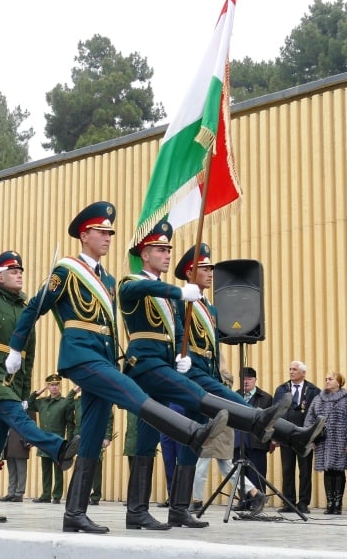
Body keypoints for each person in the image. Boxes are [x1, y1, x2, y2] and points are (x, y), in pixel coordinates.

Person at [6, 202, 229, 534]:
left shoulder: (108, 278)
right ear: (85, 235)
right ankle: (191, 432)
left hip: (105, 357)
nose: (108, 237)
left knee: (93, 438)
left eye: (111, 232)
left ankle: (74, 513)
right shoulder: (67, 270)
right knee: (134, 394)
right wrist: (15, 348)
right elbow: (35, 308)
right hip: (81, 356)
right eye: (102, 231)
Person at [117, 223, 308, 530]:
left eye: (168, 250)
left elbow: (184, 334)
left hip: (181, 367)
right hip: (161, 370)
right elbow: (142, 298)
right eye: (160, 250)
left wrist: (182, 356)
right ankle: (137, 510)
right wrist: (183, 348)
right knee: (150, 436)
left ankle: (179, 508)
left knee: (195, 439)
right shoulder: (155, 288)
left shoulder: (206, 307)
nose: (210, 274)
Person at [172, 242, 299, 522]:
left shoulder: (210, 309)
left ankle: (186, 505)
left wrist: (221, 375)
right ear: (189, 272)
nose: (210, 273)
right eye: (204, 268)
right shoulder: (181, 303)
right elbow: (176, 337)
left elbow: (215, 350)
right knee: (202, 449)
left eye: (209, 268)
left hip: (210, 377)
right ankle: (186, 504)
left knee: (210, 452)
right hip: (193, 378)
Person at [0, 251, 79, 523]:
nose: (19, 273)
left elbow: (28, 355)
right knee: (18, 420)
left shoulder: (26, 309)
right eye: (12, 270)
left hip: (12, 382)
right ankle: (58, 448)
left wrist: (24, 394)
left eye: (21, 270)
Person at [272, 361, 322, 513]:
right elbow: (274, 412)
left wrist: (314, 438)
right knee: (287, 469)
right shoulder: (282, 389)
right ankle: (289, 502)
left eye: (295, 369)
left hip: (304, 437)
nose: (291, 372)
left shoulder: (313, 390)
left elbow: (317, 415)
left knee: (305, 470)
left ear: (303, 373)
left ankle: (303, 503)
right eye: (290, 369)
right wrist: (274, 436)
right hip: (286, 435)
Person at [304, 370, 347, 515]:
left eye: (330, 379)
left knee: (338, 470)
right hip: (323, 442)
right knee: (327, 470)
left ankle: (337, 504)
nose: (327, 381)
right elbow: (309, 419)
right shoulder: (318, 399)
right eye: (326, 379)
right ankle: (329, 503)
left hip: (340, 441)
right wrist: (311, 437)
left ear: (338, 382)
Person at [28, 373, 76, 503]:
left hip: (58, 441)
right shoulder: (42, 402)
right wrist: (37, 393)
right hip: (44, 441)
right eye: (51, 385)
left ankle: (56, 496)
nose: (54, 387)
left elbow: (70, 424)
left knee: (58, 470)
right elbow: (29, 404)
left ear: (60, 386)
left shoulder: (65, 402)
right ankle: (45, 495)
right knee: (46, 470)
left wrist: (70, 442)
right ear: (48, 386)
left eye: (56, 384)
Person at [234, 367, 274, 512]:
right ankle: (243, 501)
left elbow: (271, 422)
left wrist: (272, 440)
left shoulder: (265, 397)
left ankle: (257, 502)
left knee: (257, 472)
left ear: (255, 380)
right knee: (240, 471)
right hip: (238, 440)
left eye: (249, 379)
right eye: (243, 379)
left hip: (256, 440)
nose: (246, 382)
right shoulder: (234, 395)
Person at [71, 386, 113, 506]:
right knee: (81, 464)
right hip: (80, 436)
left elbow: (109, 418)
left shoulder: (101, 399)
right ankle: (82, 494)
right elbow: (66, 405)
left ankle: (95, 496)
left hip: (96, 435)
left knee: (96, 466)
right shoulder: (77, 401)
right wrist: (73, 392)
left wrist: (107, 437)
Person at [0, 428, 30, 502]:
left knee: (21, 471)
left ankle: (19, 494)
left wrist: (28, 442)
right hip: (8, 444)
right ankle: (11, 493)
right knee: (11, 471)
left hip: (21, 443)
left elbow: (32, 424)